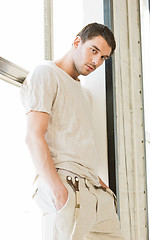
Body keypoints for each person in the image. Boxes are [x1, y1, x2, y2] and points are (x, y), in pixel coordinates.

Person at [20, 22, 124, 240]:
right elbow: (33, 136)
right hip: (67, 185)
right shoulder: (46, 73)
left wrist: (101, 186)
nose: (97, 62)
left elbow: (76, 142)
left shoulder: (83, 93)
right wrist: (59, 191)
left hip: (94, 192)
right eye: (94, 50)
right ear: (77, 42)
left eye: (103, 58)